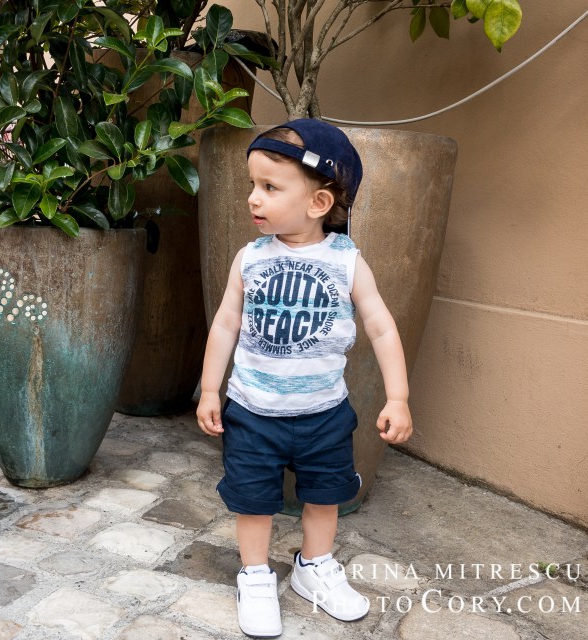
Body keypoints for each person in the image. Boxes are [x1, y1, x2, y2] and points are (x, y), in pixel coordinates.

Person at [196, 119, 413, 638]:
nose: (254, 198)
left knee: (325, 495)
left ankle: (314, 567)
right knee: (253, 500)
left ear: (318, 203)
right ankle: (255, 574)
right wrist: (210, 389)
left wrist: (398, 397)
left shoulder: (346, 261)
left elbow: (381, 327)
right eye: (252, 184)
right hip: (253, 411)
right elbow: (225, 324)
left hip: (323, 413)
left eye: (270, 187)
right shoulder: (249, 258)